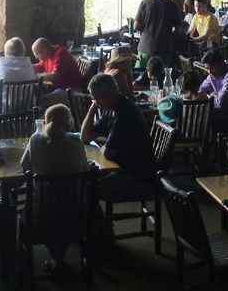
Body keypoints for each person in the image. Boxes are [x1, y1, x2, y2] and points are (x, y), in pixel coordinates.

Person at [21, 103, 90, 274]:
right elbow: (85, 169)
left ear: (45, 123)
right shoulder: (77, 143)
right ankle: (59, 258)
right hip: (76, 214)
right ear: (69, 124)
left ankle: (55, 257)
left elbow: (24, 166)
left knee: (36, 211)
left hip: (42, 216)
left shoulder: (35, 140)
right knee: (67, 213)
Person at [81, 73, 156, 198]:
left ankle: (94, 211)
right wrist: (92, 110)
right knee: (84, 180)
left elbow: (108, 152)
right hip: (121, 168)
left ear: (110, 93)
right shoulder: (111, 110)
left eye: (98, 99)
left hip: (137, 176)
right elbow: (85, 137)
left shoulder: (125, 112)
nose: (97, 104)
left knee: (87, 189)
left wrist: (103, 146)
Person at [134, 0, 183, 69]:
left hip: (145, 47)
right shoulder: (173, 6)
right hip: (163, 48)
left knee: (140, 73)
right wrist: (169, 35)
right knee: (161, 74)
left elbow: (136, 26)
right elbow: (179, 29)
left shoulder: (145, 3)